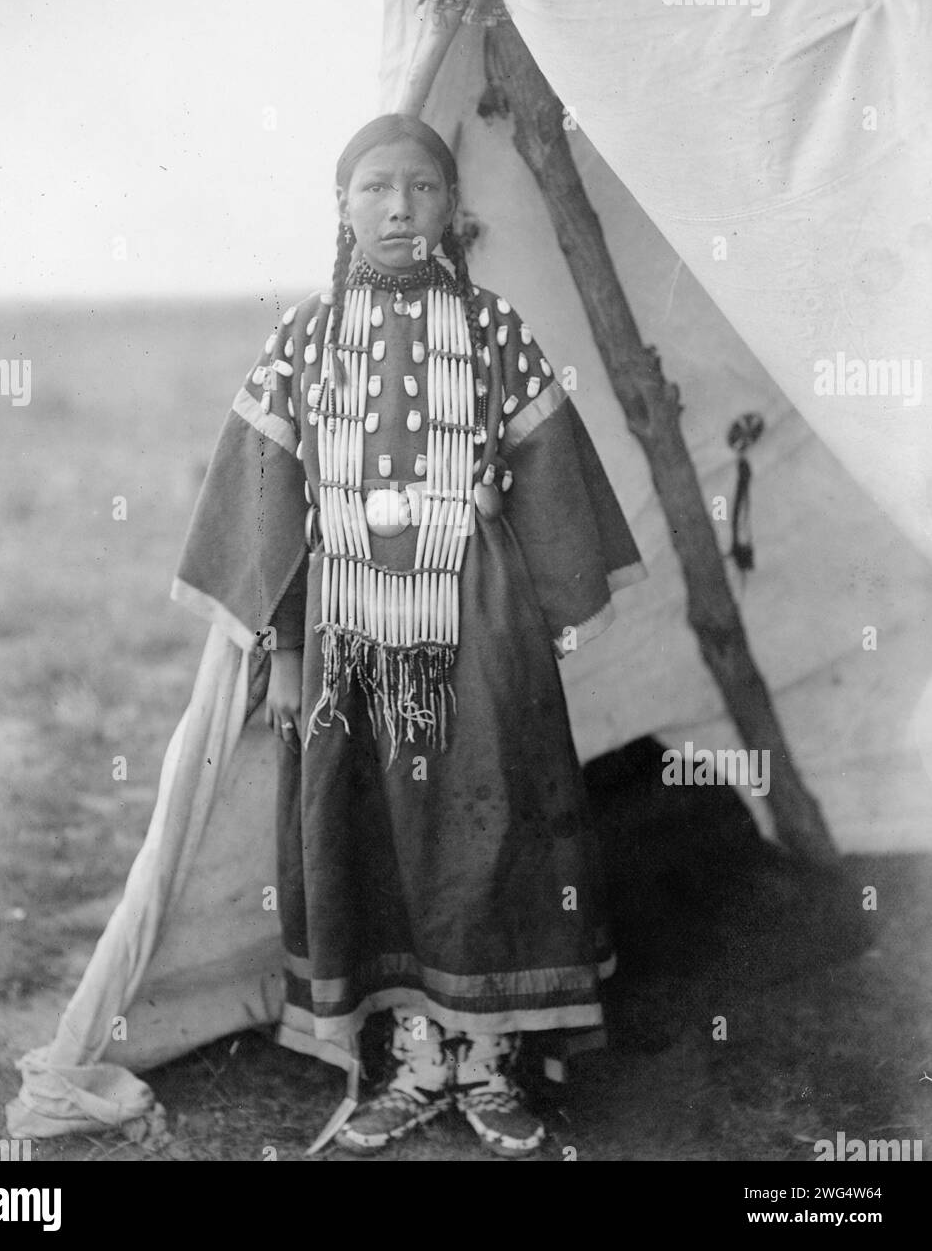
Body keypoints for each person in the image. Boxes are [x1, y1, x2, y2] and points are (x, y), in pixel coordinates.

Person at [173, 113, 646, 1157]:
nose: (400, 209)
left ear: (450, 205)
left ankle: (490, 1060)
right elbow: (266, 506)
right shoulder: (301, 338)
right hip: (344, 624)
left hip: (474, 616)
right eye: (376, 188)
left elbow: (555, 487)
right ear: (340, 207)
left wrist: (536, 629)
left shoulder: (493, 330)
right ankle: (409, 1054)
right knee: (369, 826)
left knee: (490, 815)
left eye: (422, 188)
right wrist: (288, 651)